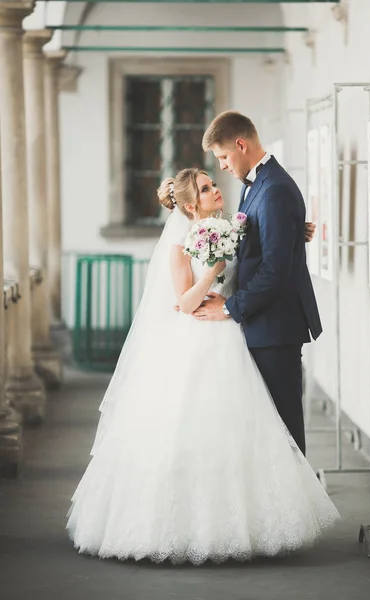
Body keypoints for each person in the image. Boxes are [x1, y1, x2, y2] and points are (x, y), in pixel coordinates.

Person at [66, 167, 339, 565]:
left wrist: (298, 231)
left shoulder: (229, 227)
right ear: (192, 205)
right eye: (208, 188)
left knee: (238, 428)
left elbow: (263, 250)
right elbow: (186, 302)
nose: (217, 190)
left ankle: (243, 522)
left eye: (214, 183)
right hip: (195, 341)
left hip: (230, 338)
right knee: (189, 428)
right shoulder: (179, 243)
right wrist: (213, 267)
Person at [193, 111, 323, 456]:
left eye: (223, 156)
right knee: (266, 431)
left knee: (284, 430)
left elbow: (275, 270)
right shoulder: (258, 185)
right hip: (263, 324)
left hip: (276, 327)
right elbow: (260, 245)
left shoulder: (275, 188)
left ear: (240, 144)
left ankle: (300, 509)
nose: (221, 166)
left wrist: (229, 308)